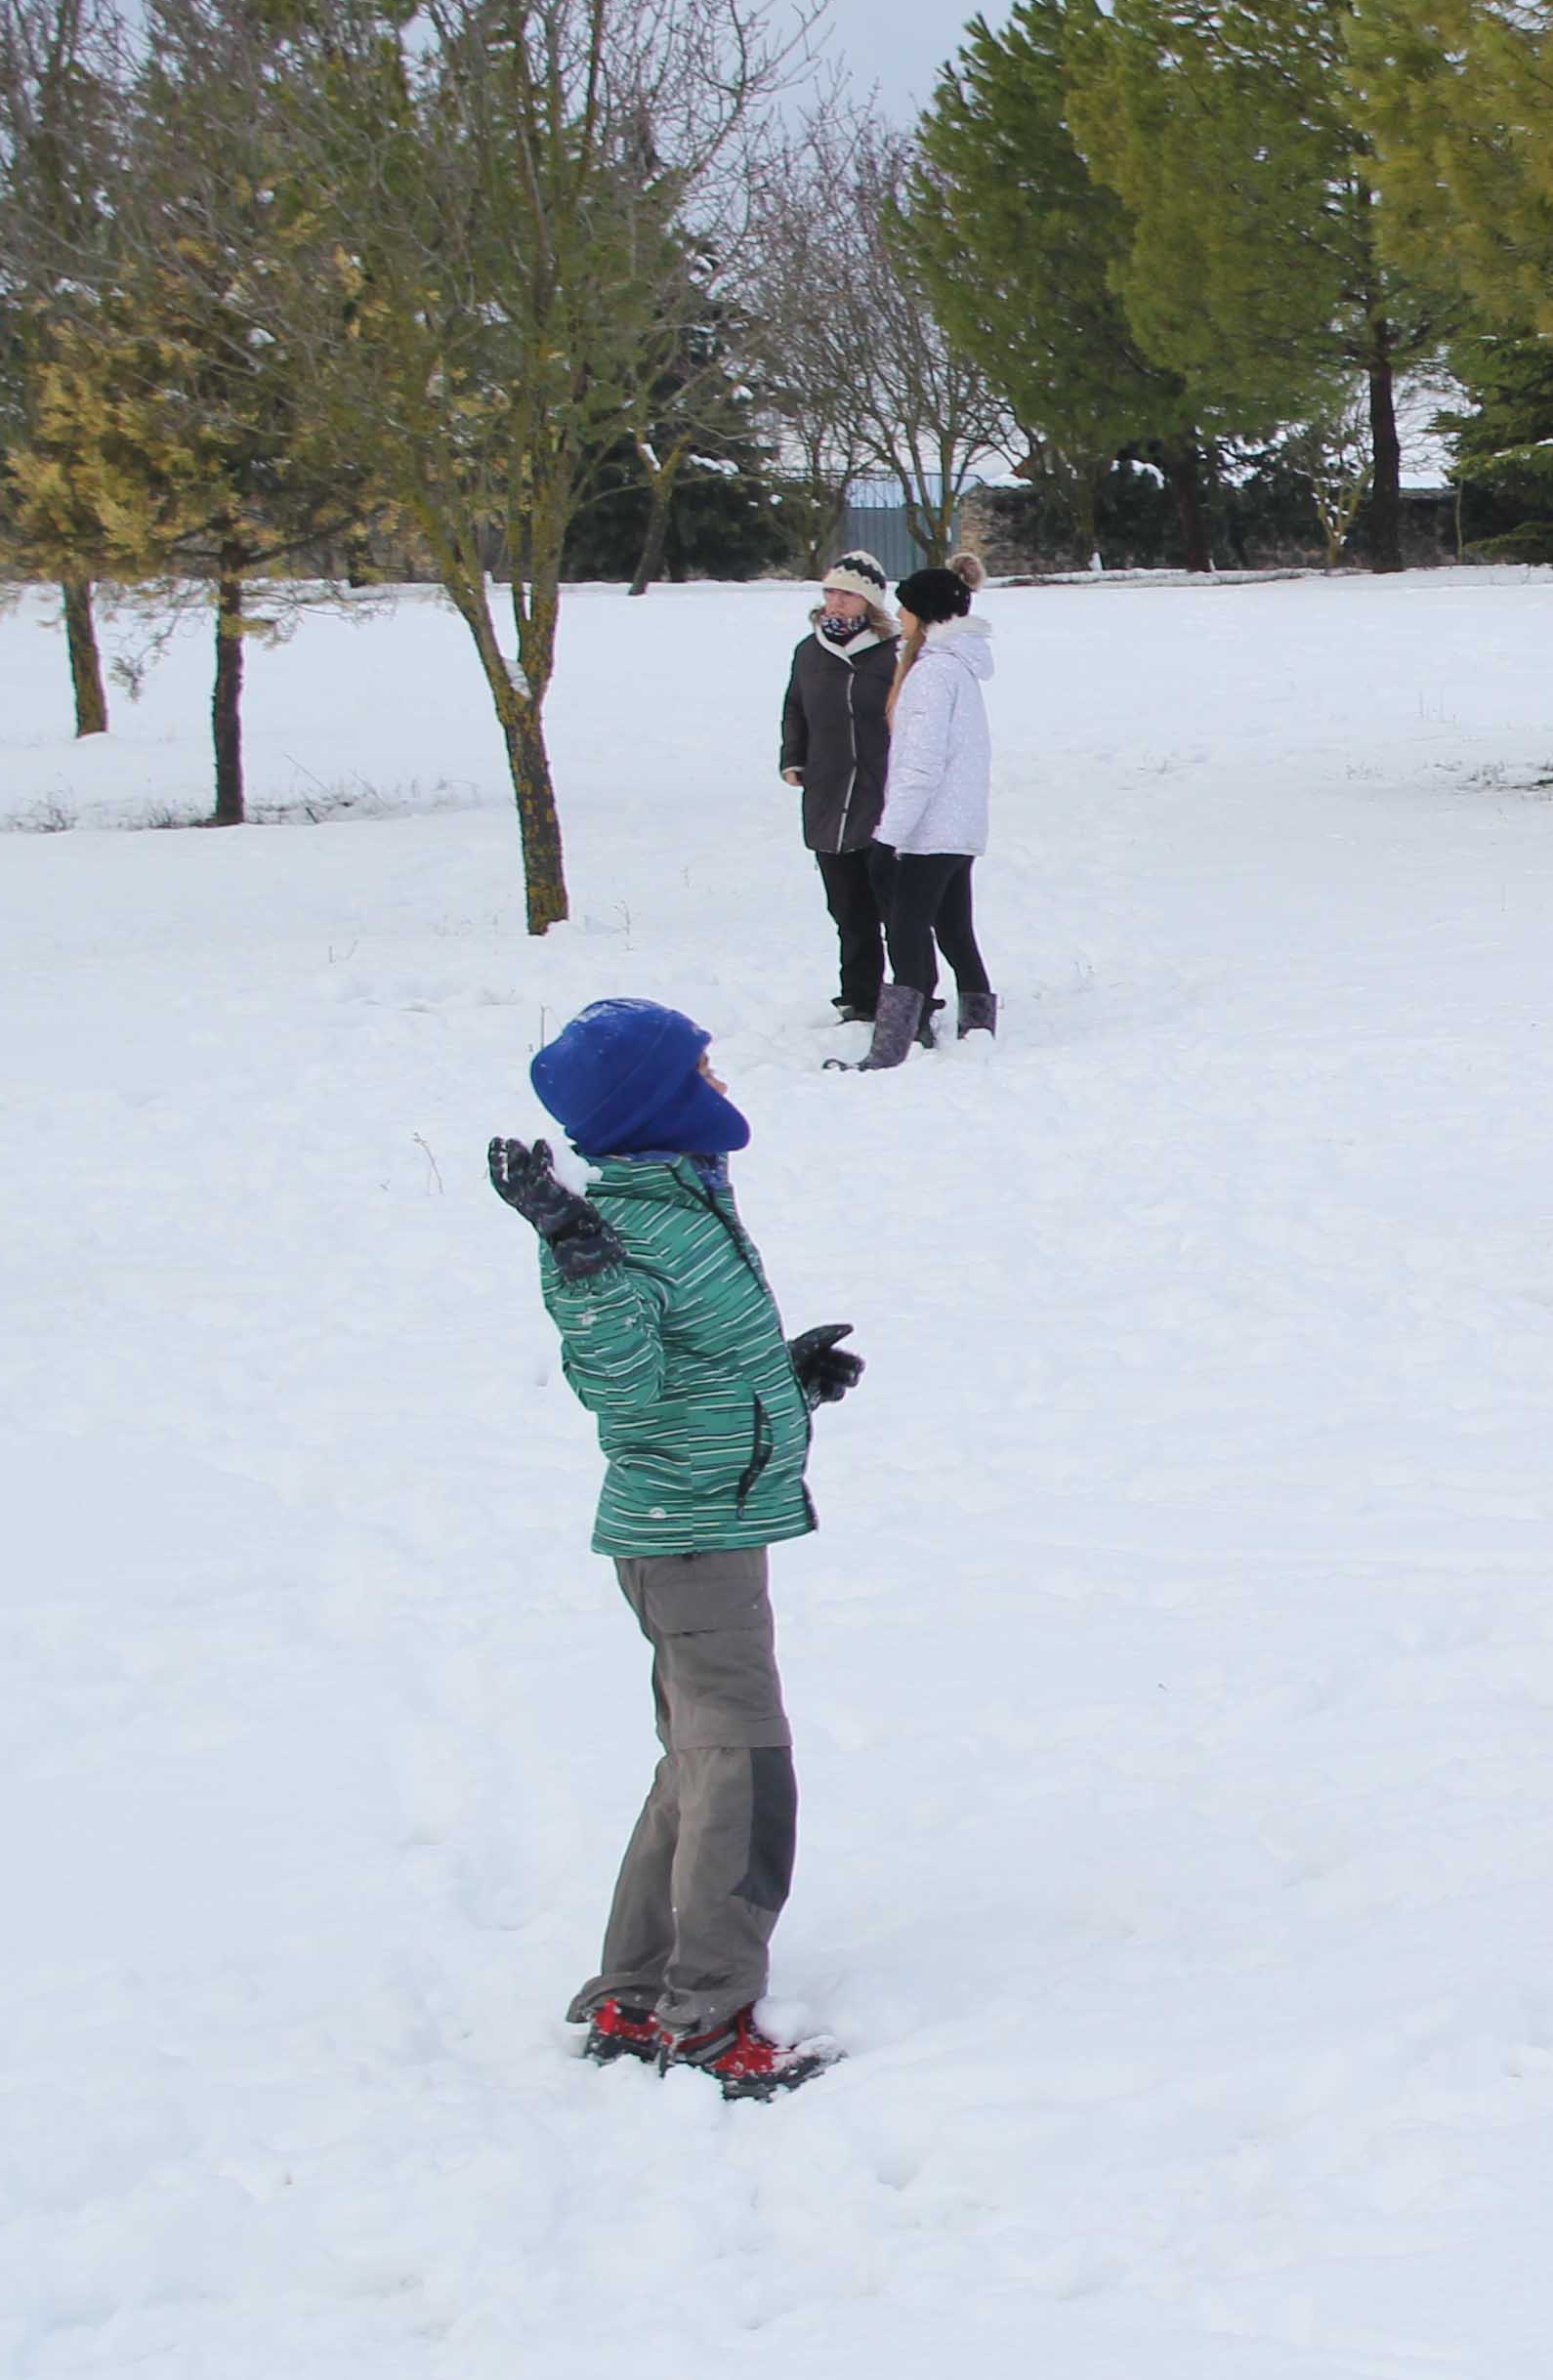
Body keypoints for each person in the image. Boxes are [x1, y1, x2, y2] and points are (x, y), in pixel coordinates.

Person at [486, 998, 862, 2099]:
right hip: (688, 1534)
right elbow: (623, 1386)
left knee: (699, 1758)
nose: (721, 1085)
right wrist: (579, 1263)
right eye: (701, 1071)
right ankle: (707, 2013)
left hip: (706, 1520)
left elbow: (690, 1366)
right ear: (653, 1103)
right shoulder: (623, 1232)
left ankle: (636, 1987)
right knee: (742, 1768)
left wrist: (786, 1382)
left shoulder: (684, 1201)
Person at [834, 563, 992, 1071]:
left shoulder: (931, 675)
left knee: (905, 930)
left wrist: (888, 838)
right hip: (957, 825)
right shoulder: (958, 668)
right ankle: (978, 1029)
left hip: (930, 829)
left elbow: (920, 767)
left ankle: (894, 1045)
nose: (898, 615)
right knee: (954, 929)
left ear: (924, 614)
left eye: (905, 607)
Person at [776, 556, 897, 1025]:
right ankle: (859, 997)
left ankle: (909, 995)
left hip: (881, 793)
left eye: (846, 594)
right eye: (830, 592)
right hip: (827, 793)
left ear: (869, 602)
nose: (835, 601)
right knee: (847, 907)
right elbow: (794, 707)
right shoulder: (810, 651)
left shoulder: (891, 653)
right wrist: (793, 758)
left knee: (893, 906)